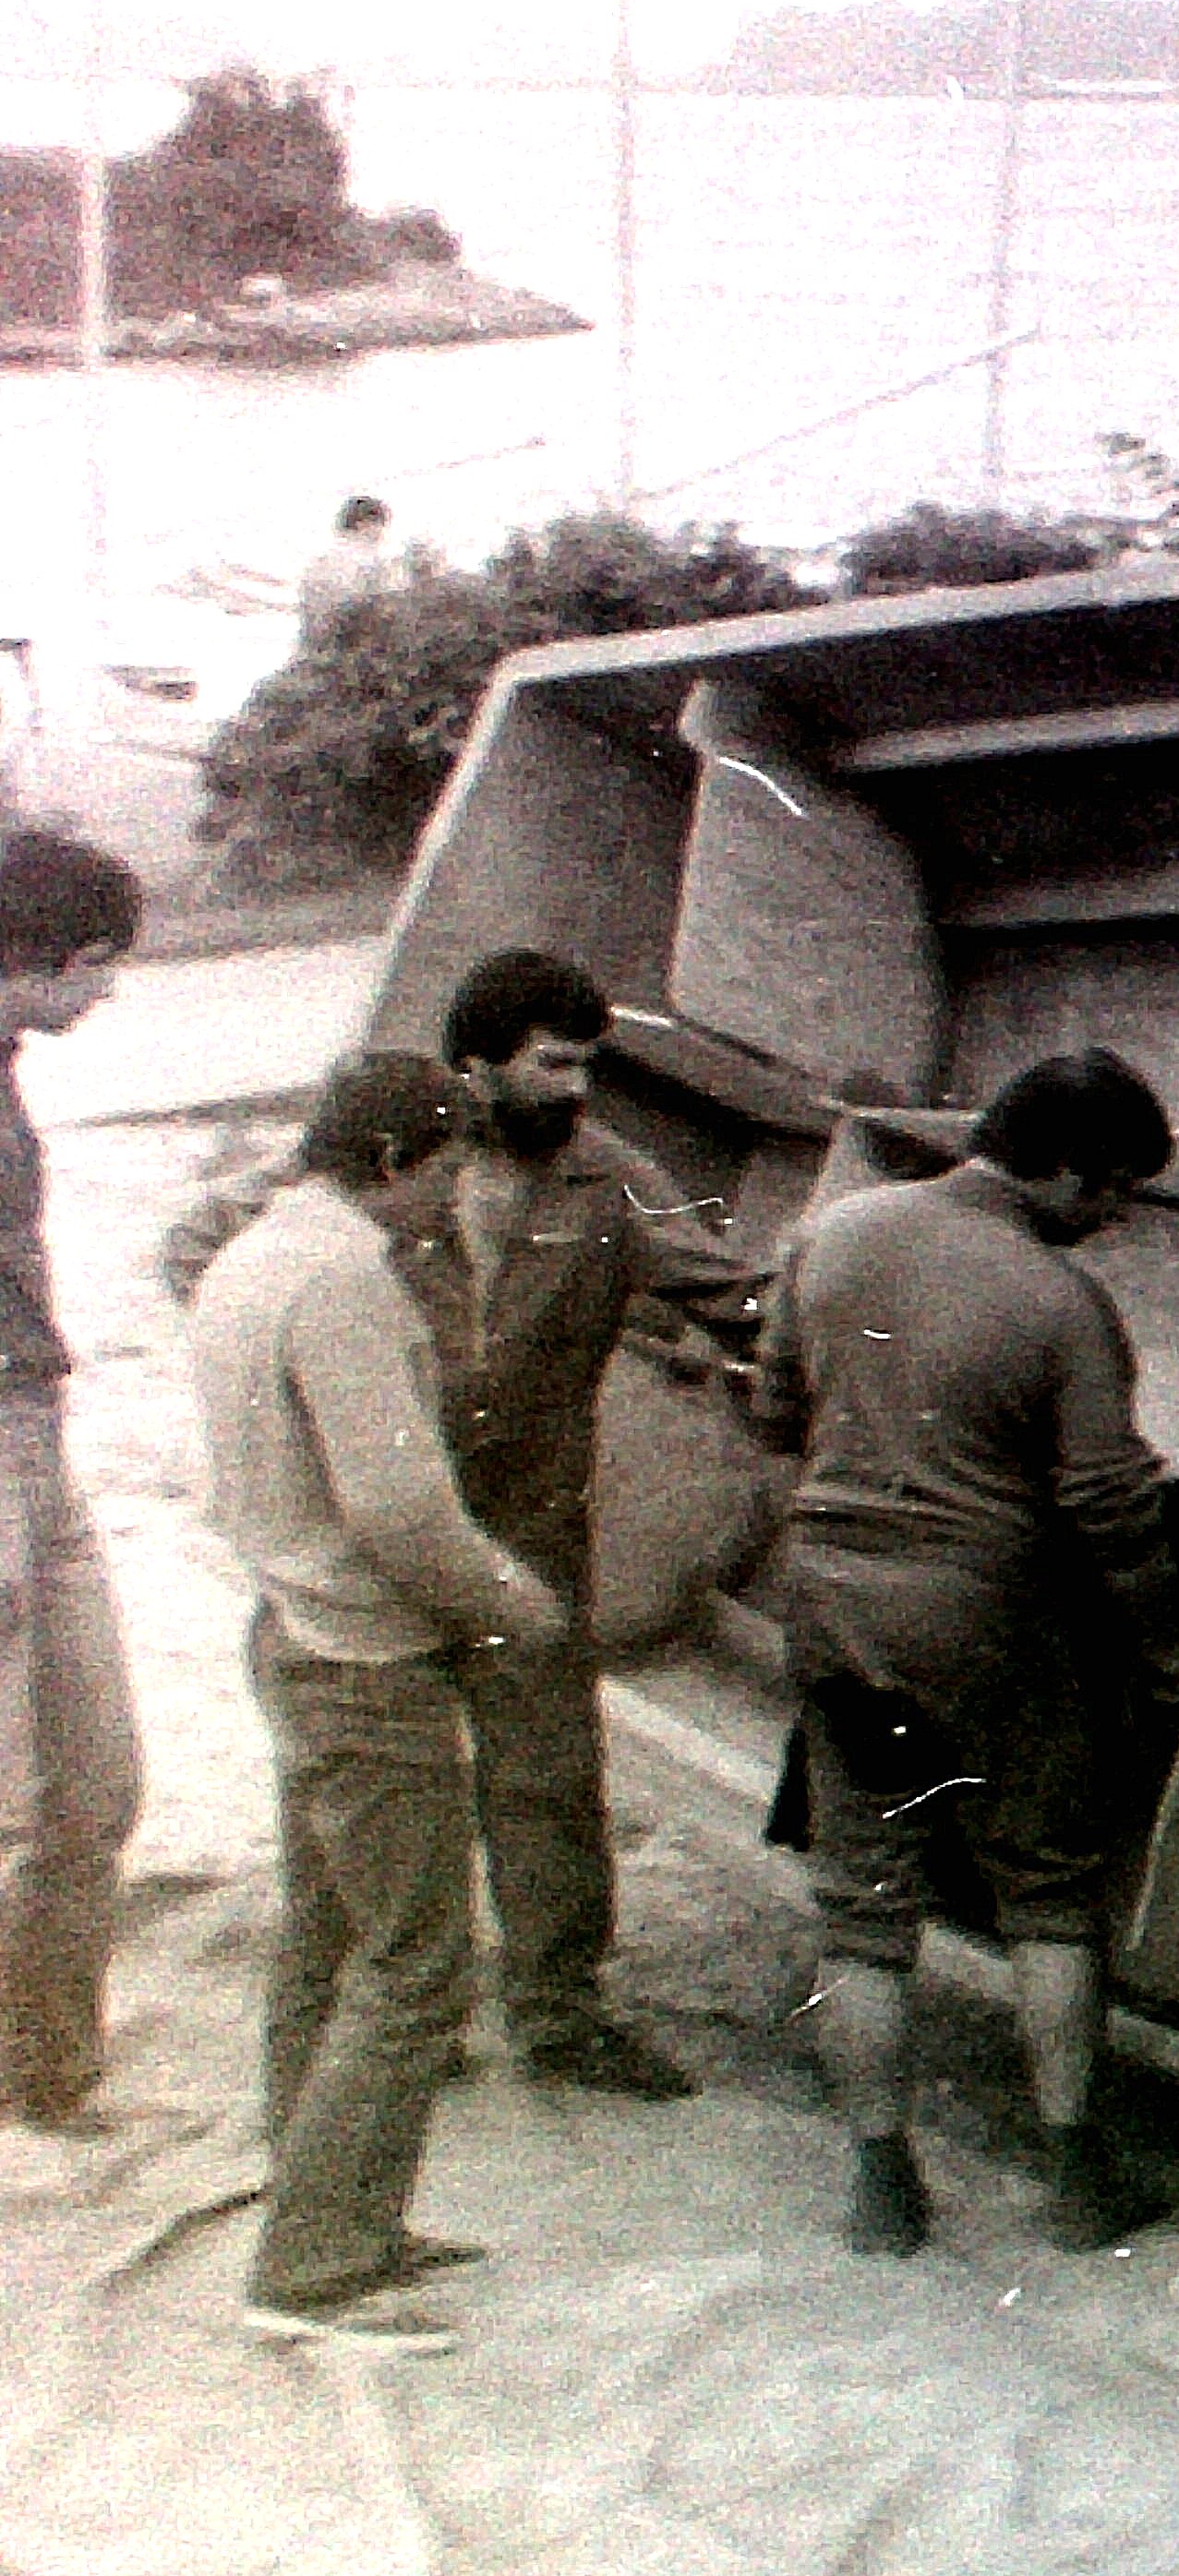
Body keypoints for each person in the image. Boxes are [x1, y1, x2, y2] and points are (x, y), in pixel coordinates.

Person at [167, 948, 763, 2100]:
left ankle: (560, 2016)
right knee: (366, 1785)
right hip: (376, 1536)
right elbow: (205, 1250)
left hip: (530, 1522)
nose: (576, 1089)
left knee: (548, 1776)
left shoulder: (613, 1179)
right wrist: (302, 1401)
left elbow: (739, 1297)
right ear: (477, 1065)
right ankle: (387, 2020)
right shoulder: (383, 1160)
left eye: (587, 1067)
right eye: (552, 1066)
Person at [752, 1048, 1179, 2257]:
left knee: (864, 1910)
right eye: (1112, 1191)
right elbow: (1110, 1506)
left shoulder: (833, 1234)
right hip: (986, 1623)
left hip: (832, 1604)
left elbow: (774, 1412)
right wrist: (1164, 1656)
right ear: (1060, 1167)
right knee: (1048, 1895)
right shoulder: (1062, 1304)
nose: (1112, 1220)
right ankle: (1077, 2178)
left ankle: (882, 2187)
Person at [185, 1053, 568, 2352]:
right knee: (416, 1962)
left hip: (292, 1629)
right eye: (448, 1169)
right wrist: (511, 1602)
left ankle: (321, 2204)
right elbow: (399, 1509)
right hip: (365, 1658)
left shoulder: (253, 1254)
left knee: (328, 1939)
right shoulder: (345, 1280)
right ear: (399, 1162)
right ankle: (317, 2267)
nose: (454, 1196)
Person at [0, 826, 147, 2134]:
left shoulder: (5, 1071)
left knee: (95, 1785)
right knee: (18, 1795)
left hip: (33, 1430)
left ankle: (44, 2068)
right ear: (52, 956)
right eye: (103, 965)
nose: (107, 994)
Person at [295, 497, 396, 645]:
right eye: (380, 525)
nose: (382, 532)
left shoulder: (319, 557)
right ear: (363, 523)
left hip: (313, 640)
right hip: (350, 641)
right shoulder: (370, 560)